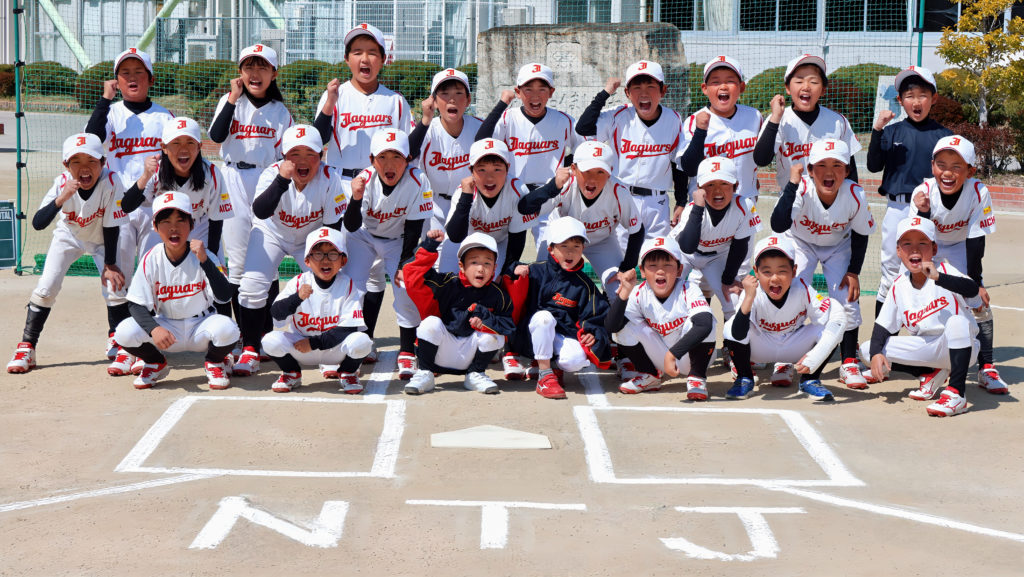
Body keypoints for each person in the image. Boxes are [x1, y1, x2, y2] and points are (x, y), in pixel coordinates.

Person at [313, 23, 413, 363]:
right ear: (347, 59)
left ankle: (363, 338)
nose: (365, 59)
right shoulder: (336, 96)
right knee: (343, 266)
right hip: (343, 184)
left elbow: (407, 150)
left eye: (372, 52)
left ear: (384, 59)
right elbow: (318, 140)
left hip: (383, 186)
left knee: (376, 272)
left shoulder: (395, 102)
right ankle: (337, 338)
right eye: (357, 52)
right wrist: (329, 103)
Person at [7, 134, 136, 375]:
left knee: (115, 287)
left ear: (103, 162)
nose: (84, 167)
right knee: (46, 288)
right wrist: (62, 197)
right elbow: (37, 223)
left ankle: (122, 344)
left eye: (91, 161)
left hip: (101, 238)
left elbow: (111, 226)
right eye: (76, 161)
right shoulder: (61, 183)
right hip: (68, 236)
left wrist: (109, 264)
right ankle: (27, 347)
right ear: (66, 165)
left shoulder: (112, 182)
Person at [233, 125, 349, 377]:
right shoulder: (272, 174)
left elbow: (332, 230)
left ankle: (327, 346)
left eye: (310, 154)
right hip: (271, 232)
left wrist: (324, 261)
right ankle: (251, 348)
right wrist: (281, 180)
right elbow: (261, 211)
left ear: (321, 155)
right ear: (284, 157)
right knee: (251, 285)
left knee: (328, 281)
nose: (303, 161)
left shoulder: (330, 178)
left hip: (311, 238)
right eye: (295, 154)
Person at [83, 47, 174, 362]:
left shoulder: (164, 116)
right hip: (118, 208)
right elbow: (92, 140)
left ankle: (146, 335)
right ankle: (117, 335)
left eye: (139, 73)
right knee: (117, 274)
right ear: (117, 80)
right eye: (125, 73)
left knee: (152, 273)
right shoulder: (111, 114)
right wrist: (105, 100)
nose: (132, 78)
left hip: (153, 207)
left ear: (151, 79)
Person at [769, 139, 875, 389]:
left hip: (838, 246)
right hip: (799, 242)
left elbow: (861, 234)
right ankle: (784, 359)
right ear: (810, 170)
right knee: (791, 294)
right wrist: (792, 184)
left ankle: (848, 361)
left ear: (847, 171)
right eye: (821, 165)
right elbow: (778, 225)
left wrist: (853, 272)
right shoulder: (801, 188)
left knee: (846, 298)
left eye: (837, 165)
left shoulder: (855, 194)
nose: (829, 172)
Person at [112, 193, 239, 390]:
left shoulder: (204, 255)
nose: (174, 228)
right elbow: (135, 304)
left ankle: (215, 362)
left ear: (191, 224)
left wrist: (205, 261)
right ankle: (155, 363)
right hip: (167, 327)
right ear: (155, 227)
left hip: (201, 326)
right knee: (123, 332)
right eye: (165, 222)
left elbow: (224, 296)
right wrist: (154, 329)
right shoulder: (151, 258)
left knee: (228, 329)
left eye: (181, 221)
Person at [911, 135, 1005, 394]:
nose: (947, 173)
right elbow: (917, 238)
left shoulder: (978, 191)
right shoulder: (922, 192)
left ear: (970, 171)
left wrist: (976, 283)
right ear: (932, 166)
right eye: (941, 165)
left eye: (956, 166)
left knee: (979, 302)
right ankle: (935, 365)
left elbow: (976, 240)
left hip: (962, 247)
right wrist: (922, 212)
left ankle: (986, 367)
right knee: (924, 302)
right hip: (930, 247)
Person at [208, 43, 293, 328]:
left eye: (262, 67)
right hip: (232, 178)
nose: (255, 73)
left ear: (274, 73)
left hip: (266, 179)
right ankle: (240, 331)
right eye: (249, 66)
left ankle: (265, 331)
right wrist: (233, 98)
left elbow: (285, 155)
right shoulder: (230, 101)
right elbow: (216, 136)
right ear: (240, 72)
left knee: (267, 257)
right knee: (236, 260)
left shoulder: (280, 112)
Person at [862, 216, 980, 417]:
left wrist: (938, 277)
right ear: (898, 251)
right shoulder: (899, 285)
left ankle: (957, 393)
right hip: (928, 348)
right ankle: (930, 374)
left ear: (934, 249)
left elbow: (972, 289)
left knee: (957, 321)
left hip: (962, 346)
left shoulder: (944, 270)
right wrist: (875, 355)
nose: (915, 249)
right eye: (907, 244)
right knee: (868, 350)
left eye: (922, 243)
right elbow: (882, 327)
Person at [343, 129, 434, 380]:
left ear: (408, 159)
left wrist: (403, 266)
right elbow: (351, 225)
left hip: (399, 239)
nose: (389, 164)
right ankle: (358, 345)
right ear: (372, 160)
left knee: (404, 287)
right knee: (353, 288)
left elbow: (414, 228)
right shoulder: (364, 179)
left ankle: (407, 351)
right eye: (383, 157)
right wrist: (355, 198)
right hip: (363, 236)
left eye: (397, 157)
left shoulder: (418, 180)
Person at [867, 66, 951, 316]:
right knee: (891, 269)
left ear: (933, 99)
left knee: (931, 266)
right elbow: (873, 166)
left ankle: (929, 325)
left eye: (922, 95)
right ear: (900, 100)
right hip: (898, 208)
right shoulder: (891, 131)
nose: (916, 102)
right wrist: (877, 130)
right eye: (909, 96)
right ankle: (884, 334)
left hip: (932, 211)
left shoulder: (944, 136)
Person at [723, 235, 847, 402]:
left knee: (831, 326)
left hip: (794, 346)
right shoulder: (752, 291)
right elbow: (737, 334)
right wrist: (749, 297)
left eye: (782, 271)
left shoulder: (803, 288)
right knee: (730, 327)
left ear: (794, 271)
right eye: (767, 272)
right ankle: (744, 378)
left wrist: (815, 357)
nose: (774, 278)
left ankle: (810, 379)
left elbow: (836, 318)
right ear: (756, 271)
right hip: (761, 347)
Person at [476, 62, 580, 257]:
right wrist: (502, 104)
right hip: (512, 194)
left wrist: (567, 167)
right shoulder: (507, 118)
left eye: (542, 89)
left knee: (549, 257)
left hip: (549, 195)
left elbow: (583, 150)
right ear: (518, 92)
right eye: (528, 89)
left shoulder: (564, 120)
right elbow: (481, 142)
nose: (535, 95)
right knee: (504, 258)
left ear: (551, 92)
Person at [576, 60, 686, 237]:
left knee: (656, 252)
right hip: (622, 196)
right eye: (636, 87)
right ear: (627, 92)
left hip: (657, 203)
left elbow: (677, 163)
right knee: (621, 252)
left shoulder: (674, 120)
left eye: (650, 86)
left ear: (663, 90)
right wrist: (605, 93)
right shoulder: (618, 115)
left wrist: (681, 201)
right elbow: (583, 128)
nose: (644, 93)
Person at [508, 216, 612, 399]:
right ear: (551, 249)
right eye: (564, 246)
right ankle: (544, 375)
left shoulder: (585, 285)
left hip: (561, 335)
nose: (570, 252)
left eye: (576, 246)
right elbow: (505, 279)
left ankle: (552, 366)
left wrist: (592, 331)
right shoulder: (536, 271)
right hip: (527, 336)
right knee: (544, 318)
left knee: (576, 361)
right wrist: (513, 269)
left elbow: (597, 314)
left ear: (583, 249)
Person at [401, 232, 517, 395]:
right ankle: (425, 373)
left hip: (470, 356)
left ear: (494, 268)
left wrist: (485, 321)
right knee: (429, 323)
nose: (481, 268)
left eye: (487, 263)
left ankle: (476, 374)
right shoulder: (447, 284)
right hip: (440, 353)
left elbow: (508, 327)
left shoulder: (499, 295)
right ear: (461, 266)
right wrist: (429, 246)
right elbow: (413, 276)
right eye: (474, 262)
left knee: (496, 336)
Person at [262, 227, 372, 394]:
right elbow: (276, 313)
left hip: (333, 349)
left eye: (332, 254)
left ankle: (348, 372)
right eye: (318, 254)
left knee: (362, 341)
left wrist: (313, 343)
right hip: (301, 347)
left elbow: (349, 328)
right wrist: (297, 298)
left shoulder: (348, 284)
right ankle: (291, 372)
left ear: (343, 261)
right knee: (270, 341)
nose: (325, 260)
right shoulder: (298, 282)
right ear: (307, 260)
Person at [605, 237, 716, 399]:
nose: (660, 271)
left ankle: (697, 377)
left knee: (707, 319)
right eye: (653, 265)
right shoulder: (638, 293)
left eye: (667, 265)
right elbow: (612, 327)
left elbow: (704, 324)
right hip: (660, 357)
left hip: (690, 358)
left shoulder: (689, 289)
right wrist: (624, 294)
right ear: (642, 271)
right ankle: (649, 375)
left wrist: (673, 354)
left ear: (679, 270)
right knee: (623, 326)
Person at [123, 117, 233, 257]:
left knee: (210, 267)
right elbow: (127, 206)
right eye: (176, 143)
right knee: (155, 264)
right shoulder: (156, 171)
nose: (183, 149)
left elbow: (216, 219)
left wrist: (211, 256)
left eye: (190, 142)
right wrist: (145, 176)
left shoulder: (211, 173)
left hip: (199, 227)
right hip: (165, 228)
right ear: (164, 147)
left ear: (199, 146)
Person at [753, 54, 862, 192]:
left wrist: (852, 196)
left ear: (823, 90)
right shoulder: (779, 119)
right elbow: (761, 160)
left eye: (814, 82)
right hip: (791, 197)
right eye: (799, 81)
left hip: (829, 198)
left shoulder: (838, 121)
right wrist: (775, 119)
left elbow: (850, 168)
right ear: (788, 88)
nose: (806, 87)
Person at [672, 156, 761, 324]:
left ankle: (731, 340)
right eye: (710, 184)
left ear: (735, 186)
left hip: (716, 256)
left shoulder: (744, 206)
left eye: (724, 183)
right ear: (699, 188)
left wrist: (728, 280)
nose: (718, 190)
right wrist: (698, 207)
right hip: (683, 256)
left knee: (733, 300)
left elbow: (740, 246)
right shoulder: (693, 209)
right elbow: (687, 246)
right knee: (670, 294)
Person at [676, 56, 763, 205]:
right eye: (715, 82)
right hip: (706, 204)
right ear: (705, 88)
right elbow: (688, 168)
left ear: (742, 87)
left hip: (745, 201)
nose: (723, 87)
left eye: (730, 81)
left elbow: (763, 157)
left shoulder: (754, 116)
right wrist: (700, 131)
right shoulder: (693, 121)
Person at [410, 68, 482, 241]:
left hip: (470, 202)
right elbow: (408, 154)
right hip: (433, 205)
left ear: (468, 100)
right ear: (433, 101)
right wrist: (425, 120)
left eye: (458, 93)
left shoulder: (480, 128)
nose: (452, 99)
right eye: (444, 93)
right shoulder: (427, 129)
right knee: (435, 253)